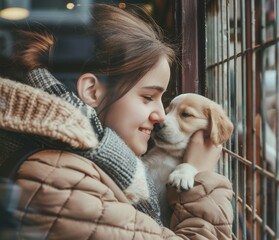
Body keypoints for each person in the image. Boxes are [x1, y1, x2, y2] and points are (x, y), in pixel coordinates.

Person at [0, 3, 234, 239]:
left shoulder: (78, 161)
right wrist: (201, 178)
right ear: (92, 91)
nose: (161, 115)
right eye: (148, 97)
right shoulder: (61, 179)